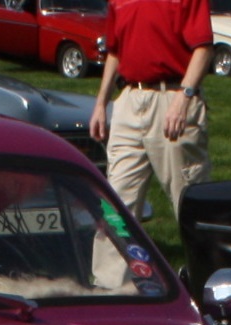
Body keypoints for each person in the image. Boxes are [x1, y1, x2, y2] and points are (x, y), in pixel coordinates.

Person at [87, 0, 213, 234]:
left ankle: (207, 268)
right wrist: (101, 103)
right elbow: (115, 51)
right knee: (116, 205)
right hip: (129, 99)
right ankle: (110, 272)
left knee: (188, 199)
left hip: (173, 97)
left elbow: (203, 48)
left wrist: (183, 97)